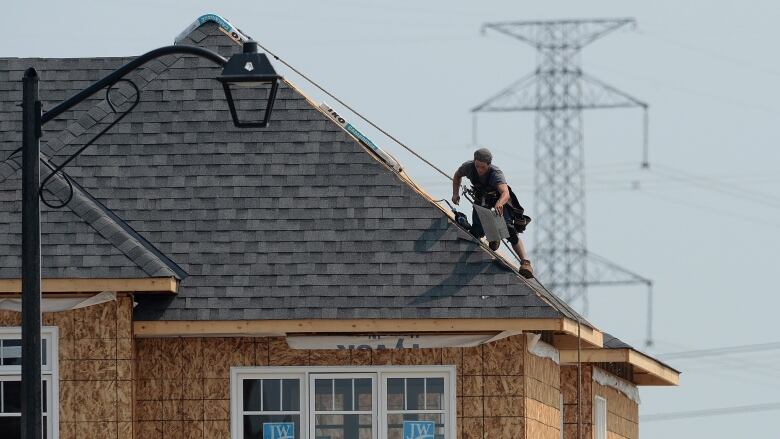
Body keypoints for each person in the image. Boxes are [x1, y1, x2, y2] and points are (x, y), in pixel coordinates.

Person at [452, 148, 533, 278]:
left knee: (509, 229)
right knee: (476, 232)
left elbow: (505, 193)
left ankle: (525, 262)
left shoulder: (496, 173)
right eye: (477, 166)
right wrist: (455, 193)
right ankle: (493, 237)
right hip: (481, 200)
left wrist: (500, 203)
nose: (479, 170)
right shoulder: (468, 167)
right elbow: (457, 176)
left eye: (482, 167)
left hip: (498, 201)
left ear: (488, 165)